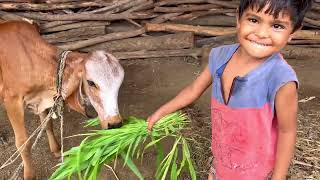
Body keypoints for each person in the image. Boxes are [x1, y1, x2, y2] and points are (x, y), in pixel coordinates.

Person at [147, 0, 312, 179]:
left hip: (254, 172)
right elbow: (194, 89)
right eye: (254, 20)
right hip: (222, 162)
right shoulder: (219, 56)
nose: (262, 33)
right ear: (238, 18)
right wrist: (162, 111)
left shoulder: (281, 79)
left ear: (293, 32)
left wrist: (278, 178)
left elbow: (286, 131)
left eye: (277, 25)